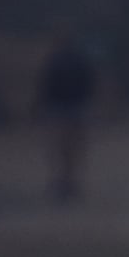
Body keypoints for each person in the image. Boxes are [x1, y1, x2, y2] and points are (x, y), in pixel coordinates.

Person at [36, 36, 97, 201]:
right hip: (72, 107)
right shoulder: (79, 62)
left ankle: (64, 180)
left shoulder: (55, 62)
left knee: (62, 148)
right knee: (70, 148)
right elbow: (90, 84)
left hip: (63, 108)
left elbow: (45, 86)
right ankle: (68, 181)